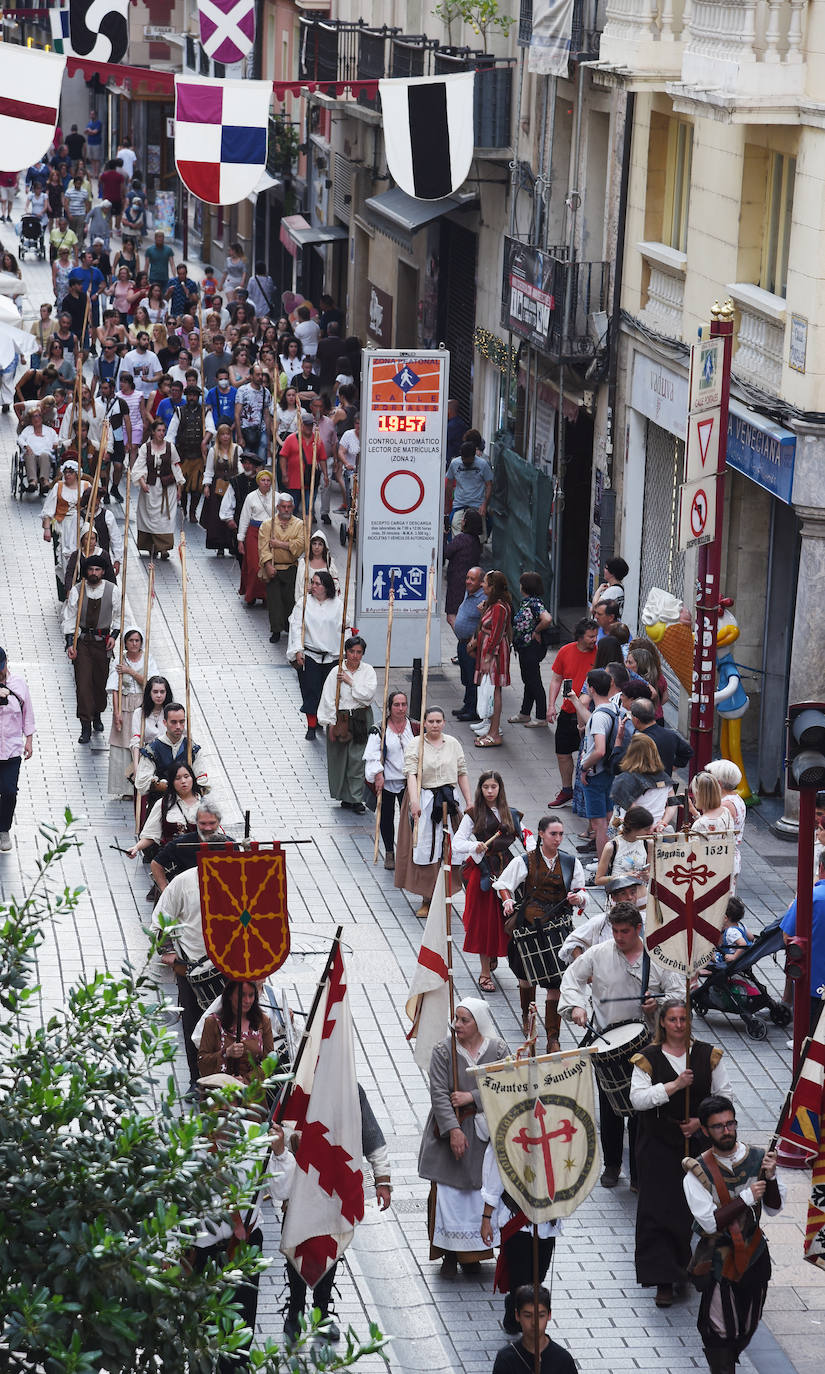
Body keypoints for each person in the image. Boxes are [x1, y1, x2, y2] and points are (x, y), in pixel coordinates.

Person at [558, 903, 683, 1188]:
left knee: (643, 1113)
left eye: (624, 931)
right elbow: (572, 977)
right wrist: (576, 1006)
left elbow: (678, 995)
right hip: (607, 1043)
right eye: (614, 931)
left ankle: (639, 1173)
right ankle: (612, 1165)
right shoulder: (599, 954)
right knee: (610, 1108)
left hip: (647, 1045)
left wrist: (658, 1004)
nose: (618, 937)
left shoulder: (658, 956)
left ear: (638, 929)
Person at [630, 1000, 732, 1309]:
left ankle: (686, 1266)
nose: (678, 1025)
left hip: (696, 1144)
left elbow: (724, 1096)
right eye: (673, 1019)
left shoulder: (707, 1055)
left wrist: (701, 1121)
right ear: (662, 1022)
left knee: (691, 1208)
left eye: (683, 1019)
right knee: (658, 1209)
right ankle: (663, 1278)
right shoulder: (647, 1058)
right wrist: (675, 1085)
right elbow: (638, 1100)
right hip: (658, 1143)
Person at [274, 1085, 392, 1344]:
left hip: (333, 1185)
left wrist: (382, 1177)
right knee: (295, 1244)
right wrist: (291, 1144)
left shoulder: (349, 1088)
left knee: (329, 1246)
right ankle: (295, 1312)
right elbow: (276, 1129)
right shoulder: (295, 1084)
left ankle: (322, 1313)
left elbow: (371, 1134)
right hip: (299, 1183)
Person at [683, 1095, 784, 1374]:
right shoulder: (696, 1172)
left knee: (748, 1323)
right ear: (705, 1131)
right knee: (717, 1329)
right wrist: (745, 1198)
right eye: (718, 1126)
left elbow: (774, 1208)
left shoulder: (758, 1158)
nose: (726, 1131)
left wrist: (771, 1178)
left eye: (730, 1124)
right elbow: (709, 1223)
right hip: (718, 1259)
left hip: (754, 1255)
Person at [418, 998, 508, 1274]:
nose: (457, 1024)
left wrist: (472, 1097)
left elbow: (506, 1085)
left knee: (478, 1195)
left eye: (464, 1020)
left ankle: (475, 1254)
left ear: (478, 1023)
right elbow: (439, 1095)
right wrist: (453, 1131)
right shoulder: (443, 1051)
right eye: (456, 1019)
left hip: (483, 1135)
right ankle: (449, 1253)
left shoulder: (498, 1050)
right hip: (451, 1133)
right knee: (448, 1196)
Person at [494, 815, 587, 1049]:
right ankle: (527, 1016)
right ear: (541, 834)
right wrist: (507, 901)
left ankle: (553, 1038)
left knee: (556, 983)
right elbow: (504, 885)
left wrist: (578, 898)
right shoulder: (525, 861)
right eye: (553, 834)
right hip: (529, 928)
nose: (558, 839)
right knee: (526, 979)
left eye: (561, 834)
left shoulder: (570, 862)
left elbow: (581, 890)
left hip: (558, 930)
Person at [151, 867, 225, 1094]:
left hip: (231, 966)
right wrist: (168, 950)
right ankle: (197, 1079)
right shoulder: (183, 882)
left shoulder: (239, 877)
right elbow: (161, 921)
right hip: (192, 969)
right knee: (193, 1024)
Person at [395, 706, 473, 916]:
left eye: (439, 721)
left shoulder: (453, 743)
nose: (435, 725)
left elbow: (462, 772)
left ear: (444, 722)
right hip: (425, 799)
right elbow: (411, 774)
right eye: (431, 721)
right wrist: (414, 802)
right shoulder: (416, 744)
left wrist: (469, 801)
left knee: (450, 848)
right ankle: (426, 898)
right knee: (425, 848)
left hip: (448, 801)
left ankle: (445, 895)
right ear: (424, 723)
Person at [454, 772, 523, 992]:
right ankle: (485, 972)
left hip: (507, 870)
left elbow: (527, 837)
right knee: (485, 923)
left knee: (508, 920)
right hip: (483, 872)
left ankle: (507, 963)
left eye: (494, 787)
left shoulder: (511, 814)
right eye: (486, 787)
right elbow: (457, 842)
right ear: (480, 789)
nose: (490, 791)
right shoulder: (473, 814)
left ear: (500, 788)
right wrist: (474, 846)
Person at [62, 552, 122, 743]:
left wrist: (114, 636)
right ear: (86, 571)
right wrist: (70, 643)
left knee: (99, 682)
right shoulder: (78, 590)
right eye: (90, 569)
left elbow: (118, 617)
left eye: (97, 569)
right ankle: (85, 725)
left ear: (103, 571)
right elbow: (70, 617)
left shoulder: (112, 590)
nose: (94, 573)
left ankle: (97, 713)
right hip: (83, 643)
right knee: (83, 683)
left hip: (103, 643)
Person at [317, 635, 376, 812]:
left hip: (360, 717)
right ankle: (345, 795)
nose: (355, 656)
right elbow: (328, 698)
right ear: (346, 652)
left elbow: (367, 696)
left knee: (358, 759)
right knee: (340, 759)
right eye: (352, 651)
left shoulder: (368, 671)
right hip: (341, 718)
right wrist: (329, 723)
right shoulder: (336, 672)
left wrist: (351, 682)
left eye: (359, 652)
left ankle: (356, 798)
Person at [546, 619, 599, 806]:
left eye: (595, 635)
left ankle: (586, 793)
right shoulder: (565, 651)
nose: (594, 640)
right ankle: (567, 790)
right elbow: (556, 679)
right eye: (591, 636)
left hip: (589, 714)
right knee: (562, 753)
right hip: (568, 711)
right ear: (580, 637)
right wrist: (551, 706)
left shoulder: (600, 654)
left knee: (589, 754)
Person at [286, 570, 342, 740]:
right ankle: (311, 725)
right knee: (310, 690)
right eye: (313, 582)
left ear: (326, 587)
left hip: (331, 655)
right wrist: (298, 650)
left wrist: (344, 651)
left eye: (318, 583)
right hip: (310, 654)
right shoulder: (303, 603)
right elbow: (296, 626)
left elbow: (344, 628)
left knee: (328, 692)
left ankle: (325, 721)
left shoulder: (338, 604)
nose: (313, 586)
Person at [364, 690, 416, 870]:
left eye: (404, 704)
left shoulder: (415, 728)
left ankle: (408, 853)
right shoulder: (379, 729)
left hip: (408, 782)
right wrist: (378, 774)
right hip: (386, 781)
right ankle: (389, 853)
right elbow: (372, 755)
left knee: (409, 819)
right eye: (396, 705)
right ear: (389, 707)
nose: (401, 708)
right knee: (386, 817)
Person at [105, 626, 156, 800]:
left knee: (141, 744)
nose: (134, 644)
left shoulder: (147, 660)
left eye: (137, 640)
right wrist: (116, 713)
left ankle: (143, 785)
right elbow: (114, 688)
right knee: (123, 745)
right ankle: (126, 788)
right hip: (126, 706)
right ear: (125, 643)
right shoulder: (120, 660)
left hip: (142, 705)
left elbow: (151, 684)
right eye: (131, 640)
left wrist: (131, 672)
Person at [577, 668, 623, 859]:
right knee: (609, 817)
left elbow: (599, 750)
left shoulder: (598, 716)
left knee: (599, 824)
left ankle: (603, 862)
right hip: (609, 771)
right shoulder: (614, 708)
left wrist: (584, 767)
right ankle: (613, 857)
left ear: (591, 688)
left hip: (595, 775)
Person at [781, 849, 825, 1036]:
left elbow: (787, 936)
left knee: (808, 1037)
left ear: (821, 867)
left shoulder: (812, 897)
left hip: (812, 981)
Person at [196, 981, 275, 1084]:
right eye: (242, 995)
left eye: (251, 995)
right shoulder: (213, 1022)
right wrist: (226, 1053)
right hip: (220, 1089)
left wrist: (246, 1080)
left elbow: (269, 1061)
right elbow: (203, 1061)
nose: (247, 1001)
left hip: (252, 1090)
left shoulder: (263, 1021)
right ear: (229, 995)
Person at [491, 1285, 577, 1374]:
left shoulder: (563, 1359)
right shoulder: (506, 1359)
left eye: (541, 1316)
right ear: (517, 1315)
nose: (534, 1322)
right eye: (528, 1316)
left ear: (549, 1315)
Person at [131, 420, 185, 560]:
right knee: (149, 517)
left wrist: (179, 488)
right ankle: (151, 547)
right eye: (159, 430)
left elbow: (176, 467)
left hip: (167, 488)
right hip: (150, 488)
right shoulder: (146, 448)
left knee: (165, 518)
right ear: (153, 432)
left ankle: (164, 548)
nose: (161, 433)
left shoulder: (170, 447)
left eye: (163, 430)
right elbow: (138, 467)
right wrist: (142, 483)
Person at [471, 570, 512, 749]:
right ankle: (491, 729)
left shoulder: (500, 607)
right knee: (490, 690)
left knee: (494, 691)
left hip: (496, 654)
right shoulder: (493, 605)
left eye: (485, 582)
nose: (482, 585)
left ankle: (494, 733)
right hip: (489, 651)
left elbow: (496, 634)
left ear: (493, 586)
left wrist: (488, 657)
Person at [0, 648, 35, 853]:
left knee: (9, 791)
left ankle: (3, 829)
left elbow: (27, 712)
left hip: (12, 749)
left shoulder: (18, 684)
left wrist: (28, 739)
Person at [509, 571, 554, 728]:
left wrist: (536, 630)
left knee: (534, 681)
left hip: (531, 648)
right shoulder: (527, 602)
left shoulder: (534, 603)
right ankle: (525, 712)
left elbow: (547, 619)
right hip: (524, 647)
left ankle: (541, 717)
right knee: (528, 680)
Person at [258, 491, 304, 638]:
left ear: (293, 507)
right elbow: (263, 547)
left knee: (290, 600)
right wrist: (267, 565)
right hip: (274, 567)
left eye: (289, 507)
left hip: (291, 568)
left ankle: (290, 628)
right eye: (283, 506)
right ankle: (276, 630)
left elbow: (300, 545)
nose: (286, 509)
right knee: (274, 602)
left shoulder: (299, 524)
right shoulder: (267, 524)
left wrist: (279, 544)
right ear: (278, 507)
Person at [149, 802, 223, 893]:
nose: (208, 828)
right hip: (187, 893)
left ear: (219, 822)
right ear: (196, 822)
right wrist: (165, 891)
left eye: (212, 823)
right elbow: (156, 864)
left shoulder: (229, 844)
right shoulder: (181, 843)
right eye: (203, 823)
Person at [610, 733, 677, 832]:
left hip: (632, 833)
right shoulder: (664, 777)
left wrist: (647, 828)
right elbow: (673, 803)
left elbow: (633, 810)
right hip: (657, 831)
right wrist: (662, 823)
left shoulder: (625, 779)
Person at [451, 565, 486, 723]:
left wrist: (474, 641)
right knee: (465, 676)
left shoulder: (482, 598)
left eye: (472, 579)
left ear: (481, 582)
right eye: (467, 578)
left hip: (472, 645)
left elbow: (484, 623)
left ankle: (473, 710)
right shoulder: (469, 592)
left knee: (473, 677)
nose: (468, 581)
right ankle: (467, 705)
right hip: (462, 643)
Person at [200, 424, 241, 555]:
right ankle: (219, 545)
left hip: (233, 487)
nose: (225, 437)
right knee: (217, 516)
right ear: (219, 436)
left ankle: (232, 544)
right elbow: (209, 470)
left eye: (227, 434)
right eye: (223, 434)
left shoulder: (237, 449)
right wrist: (207, 486)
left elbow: (240, 468)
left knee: (232, 514)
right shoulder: (214, 451)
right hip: (217, 488)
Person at [705, 758, 747, 888]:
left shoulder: (725, 805)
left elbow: (713, 834)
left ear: (718, 783)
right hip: (728, 856)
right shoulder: (736, 798)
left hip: (720, 858)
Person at [593, 805, 653, 888]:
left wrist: (647, 876)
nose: (650, 832)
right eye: (646, 829)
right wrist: (624, 876)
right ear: (634, 828)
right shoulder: (612, 846)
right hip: (619, 891)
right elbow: (598, 880)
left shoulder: (648, 843)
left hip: (640, 892)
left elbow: (649, 874)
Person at [444, 508, 483, 631]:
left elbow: (446, 553)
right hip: (469, 583)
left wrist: (444, 536)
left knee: (452, 616)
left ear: (466, 522)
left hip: (456, 583)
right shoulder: (476, 541)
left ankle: (465, 640)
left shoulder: (461, 539)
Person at [447, 440, 493, 536]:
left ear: (474, 456)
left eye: (469, 461)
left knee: (479, 534)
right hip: (459, 504)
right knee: (456, 530)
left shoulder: (483, 464)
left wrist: (484, 504)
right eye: (464, 460)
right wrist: (449, 499)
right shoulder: (454, 463)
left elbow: (489, 485)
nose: (466, 463)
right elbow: (449, 482)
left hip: (477, 505)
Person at [18, 407, 60, 496]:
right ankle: (33, 481)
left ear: (42, 418)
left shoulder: (49, 430)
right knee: (29, 455)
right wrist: (26, 446)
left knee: (44, 455)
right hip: (31, 453)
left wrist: (56, 443)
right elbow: (20, 439)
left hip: (45, 454)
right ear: (31, 419)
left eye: (38, 416)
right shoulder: (28, 430)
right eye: (34, 416)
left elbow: (56, 439)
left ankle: (45, 481)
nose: (36, 418)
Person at [234, 363, 272, 461]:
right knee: (247, 458)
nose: (260, 377)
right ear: (251, 376)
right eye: (257, 374)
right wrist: (239, 436)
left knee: (261, 458)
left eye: (261, 374)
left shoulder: (266, 392)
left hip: (261, 429)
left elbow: (267, 415)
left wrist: (268, 437)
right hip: (246, 429)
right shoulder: (242, 390)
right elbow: (237, 414)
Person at [591, 556, 629, 620]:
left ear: (612, 573)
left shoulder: (613, 590)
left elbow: (594, 608)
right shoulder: (617, 587)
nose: (604, 570)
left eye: (606, 568)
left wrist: (598, 591)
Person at [84, 112, 102, 176]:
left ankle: (97, 173)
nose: (91, 115)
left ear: (95, 115)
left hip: (96, 143)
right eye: (91, 114)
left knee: (96, 158)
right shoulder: (89, 123)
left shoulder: (98, 123)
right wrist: (90, 131)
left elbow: (95, 132)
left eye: (93, 114)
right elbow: (85, 132)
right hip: (90, 143)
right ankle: (94, 172)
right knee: (91, 158)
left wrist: (90, 131)